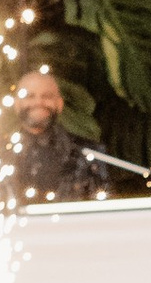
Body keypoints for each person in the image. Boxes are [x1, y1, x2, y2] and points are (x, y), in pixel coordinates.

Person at [8, 67, 107, 205]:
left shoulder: (87, 153)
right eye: (30, 96)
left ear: (59, 104)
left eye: (46, 96)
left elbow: (105, 211)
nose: (38, 102)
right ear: (17, 104)